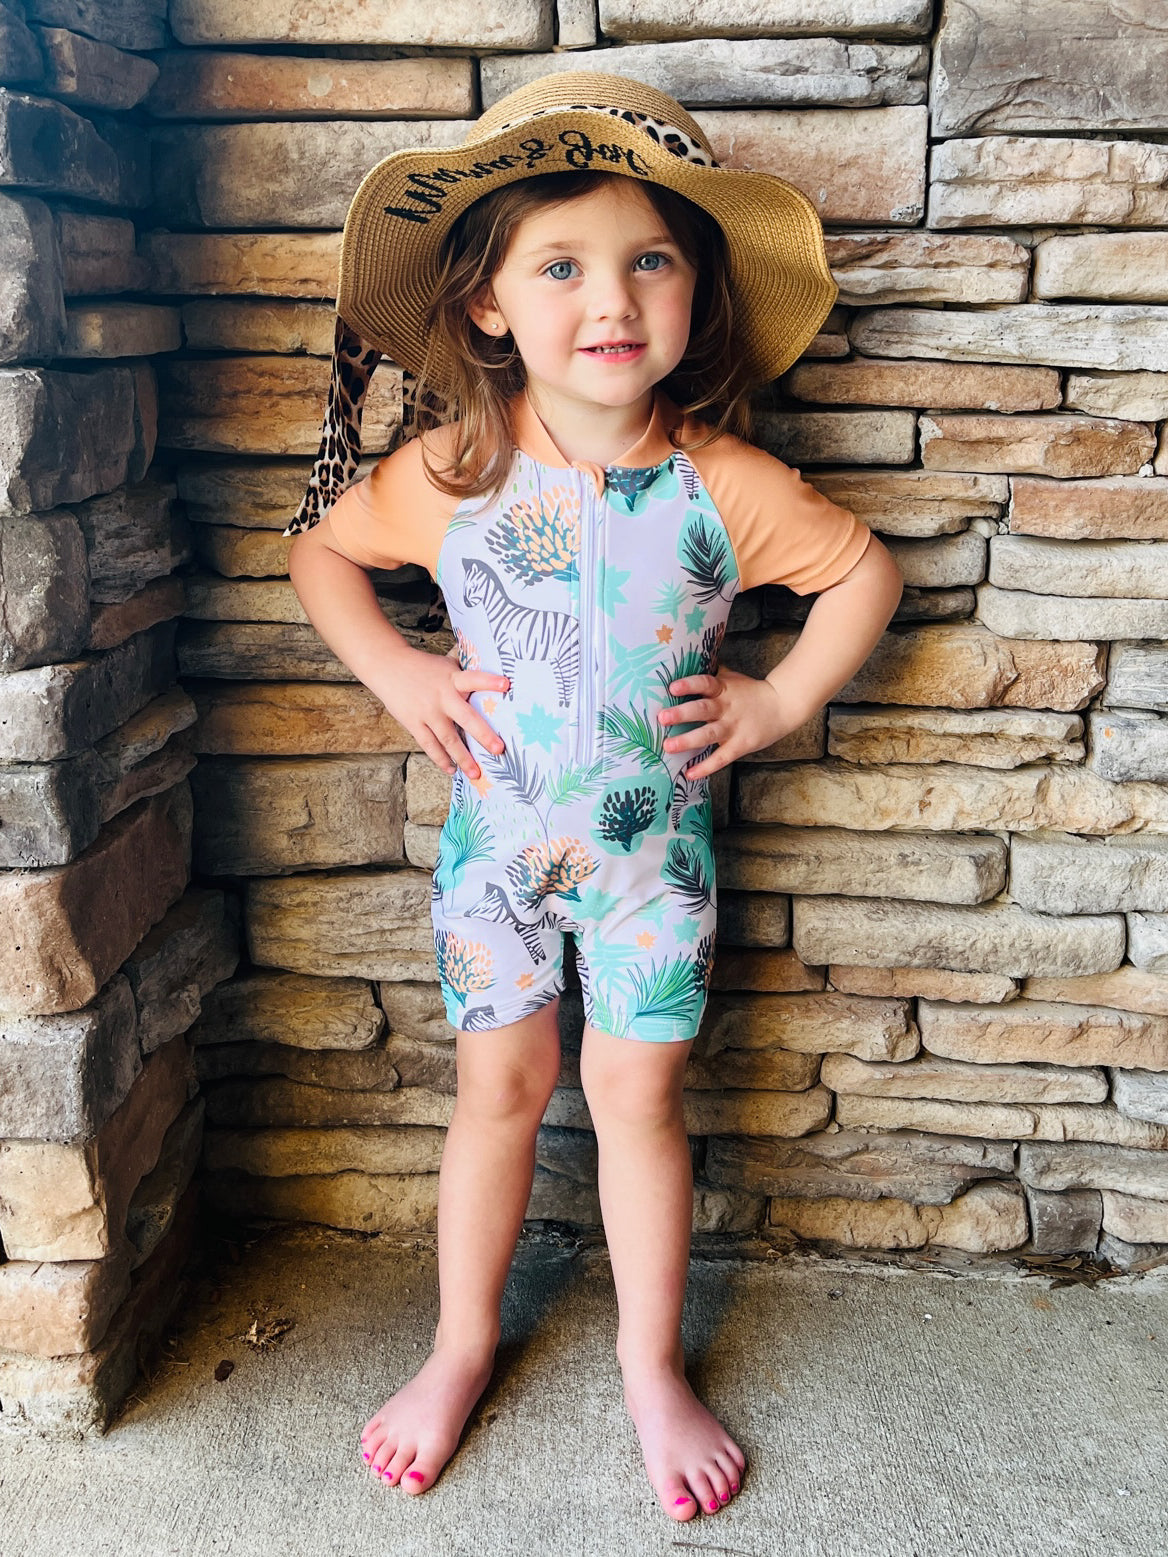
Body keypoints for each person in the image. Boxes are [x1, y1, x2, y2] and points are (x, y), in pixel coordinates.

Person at [286, 71, 904, 1523]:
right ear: (489, 304)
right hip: (493, 862)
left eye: (651, 260)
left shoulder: (721, 484)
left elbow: (863, 574)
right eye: (560, 266)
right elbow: (321, 553)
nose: (611, 300)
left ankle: (650, 1365)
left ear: (695, 291)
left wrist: (778, 700)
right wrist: (397, 670)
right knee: (495, 1092)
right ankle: (460, 1344)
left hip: (652, 872)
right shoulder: (454, 470)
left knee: (638, 1102)